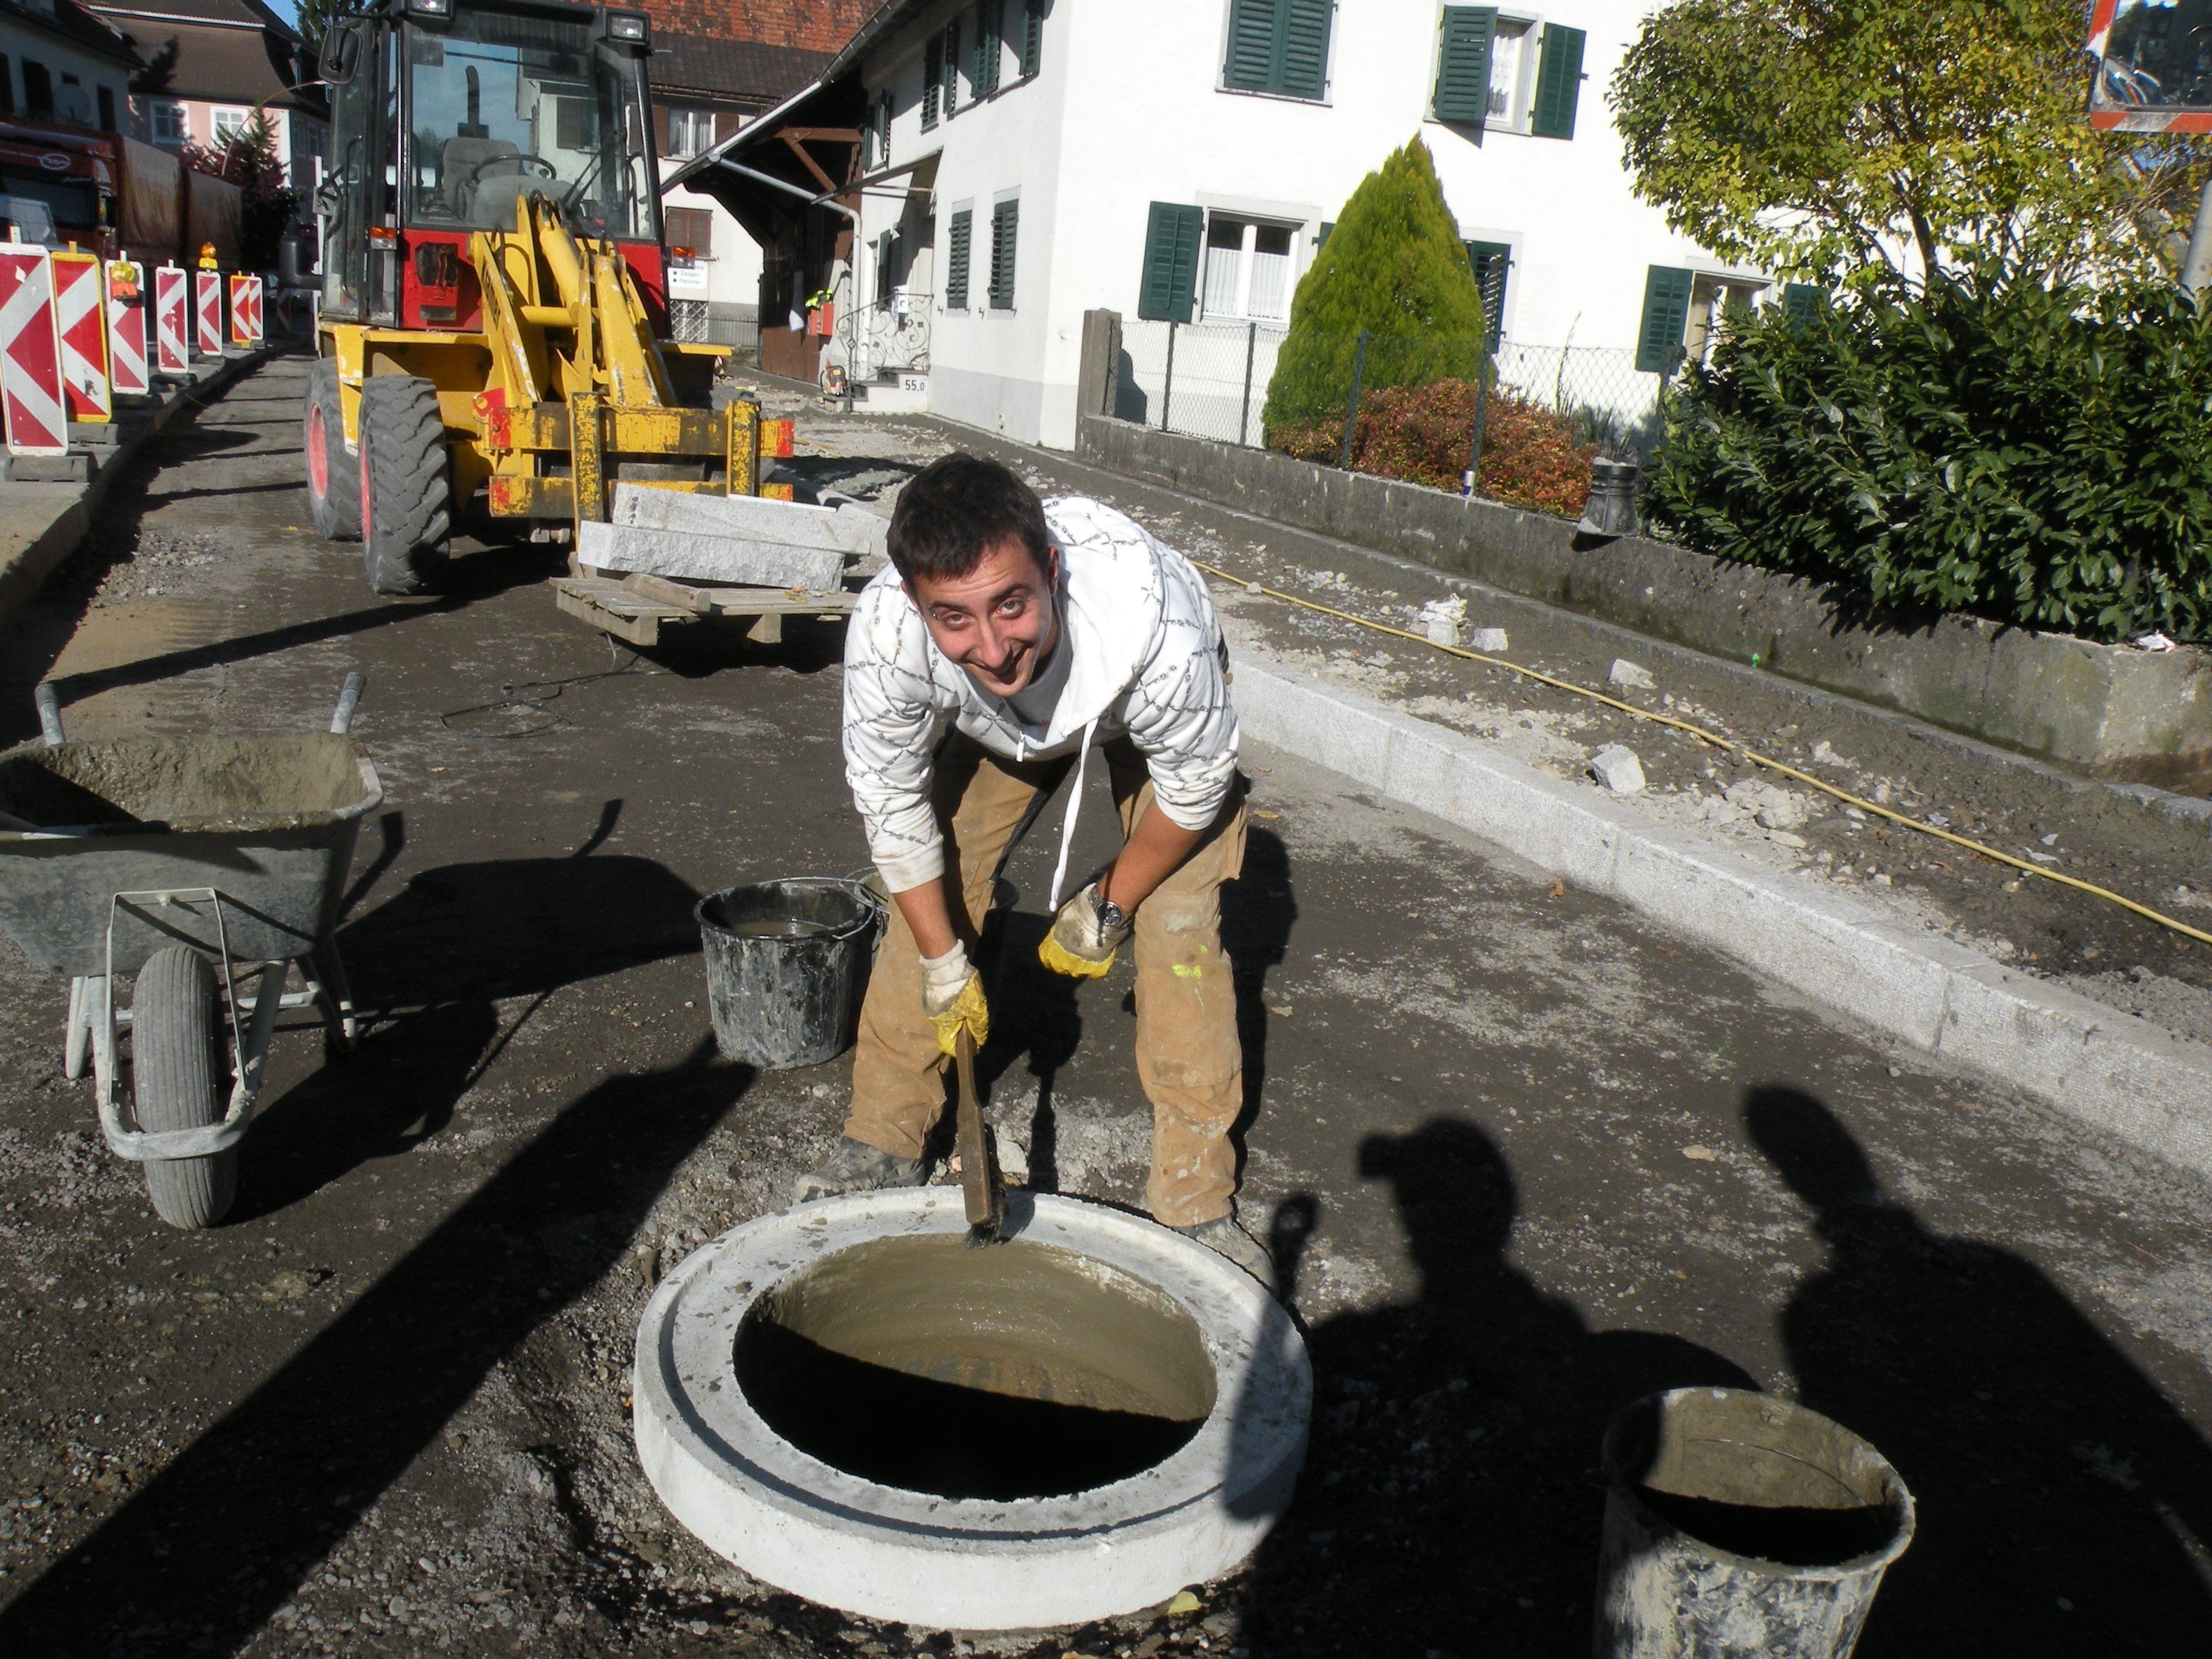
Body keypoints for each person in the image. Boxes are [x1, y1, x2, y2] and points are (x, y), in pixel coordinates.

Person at [796, 453, 1270, 1283]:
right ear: (913, 601)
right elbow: (894, 808)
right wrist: (944, 964)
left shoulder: (1157, 626)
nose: (992, 645)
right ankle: (886, 1135)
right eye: (954, 617)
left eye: (1010, 604)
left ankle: (1195, 1196)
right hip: (997, 729)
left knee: (1180, 926)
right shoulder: (888, 639)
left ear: (1050, 569)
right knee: (934, 893)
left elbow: (1195, 789)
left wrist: (1109, 907)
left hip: (1140, 719)